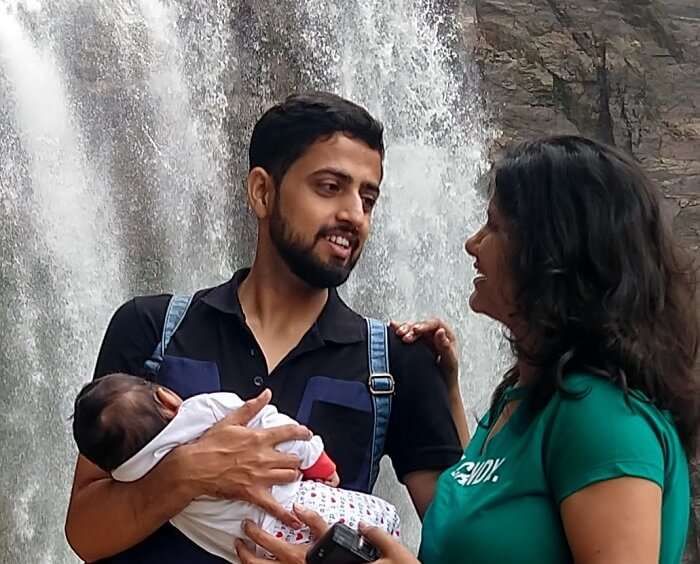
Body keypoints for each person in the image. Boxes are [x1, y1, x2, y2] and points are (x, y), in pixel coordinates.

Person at [238, 136, 700, 564]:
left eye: (494, 225)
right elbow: (473, 507)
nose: (472, 243)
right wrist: (448, 393)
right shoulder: (519, 399)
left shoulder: (602, 415)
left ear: (553, 253)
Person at [64, 92, 464, 563]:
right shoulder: (150, 329)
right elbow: (85, 533)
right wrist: (190, 472)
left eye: (368, 198)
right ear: (262, 192)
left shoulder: (399, 360)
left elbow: (460, 544)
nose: (354, 214)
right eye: (330, 186)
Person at [71, 373, 399, 562]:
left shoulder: (131, 474)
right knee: (379, 522)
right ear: (169, 399)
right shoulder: (203, 409)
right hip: (297, 507)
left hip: (257, 547)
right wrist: (317, 460)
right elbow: (276, 427)